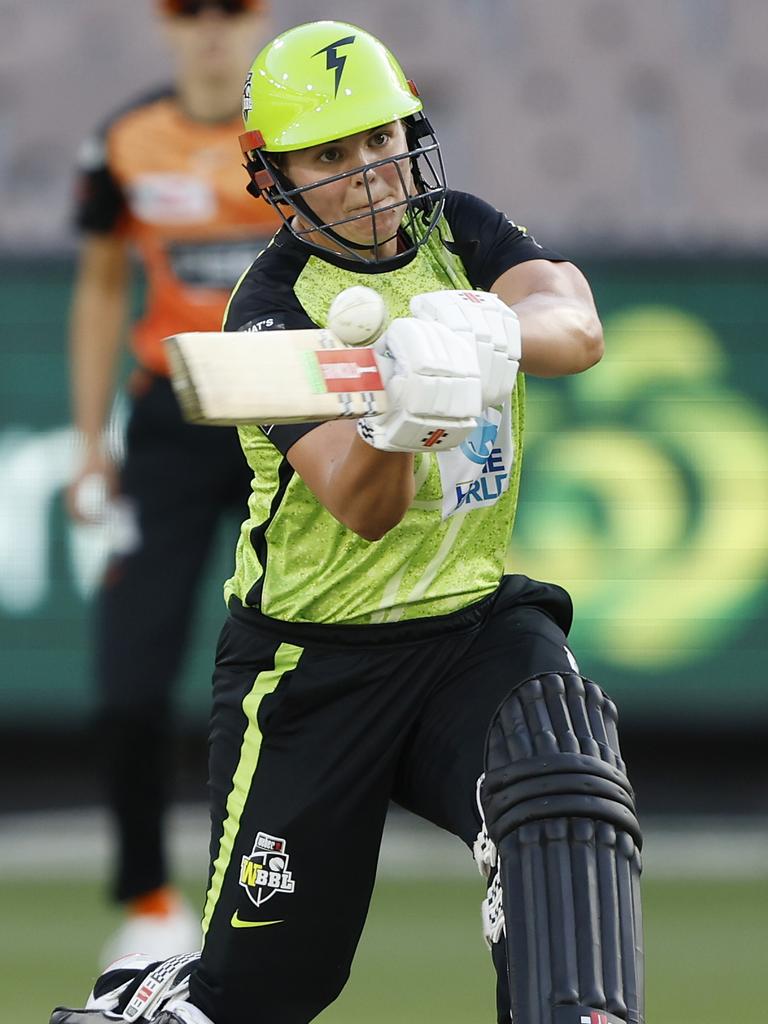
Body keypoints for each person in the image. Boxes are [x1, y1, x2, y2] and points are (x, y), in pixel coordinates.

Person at [53, 19, 644, 1024]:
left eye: (382, 138)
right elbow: (363, 508)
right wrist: (405, 406)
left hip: (470, 630)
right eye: (331, 154)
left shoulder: (460, 230)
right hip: (313, 665)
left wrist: (485, 331)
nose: (370, 172)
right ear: (274, 175)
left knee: (563, 778)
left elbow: (575, 326)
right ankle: (164, 998)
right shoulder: (271, 308)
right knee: (268, 992)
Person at [66, 0, 279, 965]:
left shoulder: (290, 143)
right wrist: (88, 443)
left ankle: (282, 882)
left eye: (229, 8)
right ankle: (148, 900)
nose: (210, 28)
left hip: (285, 412)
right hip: (170, 420)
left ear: (257, 19)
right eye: (190, 8)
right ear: (164, 22)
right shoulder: (124, 143)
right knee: (129, 679)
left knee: (317, 663)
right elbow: (103, 283)